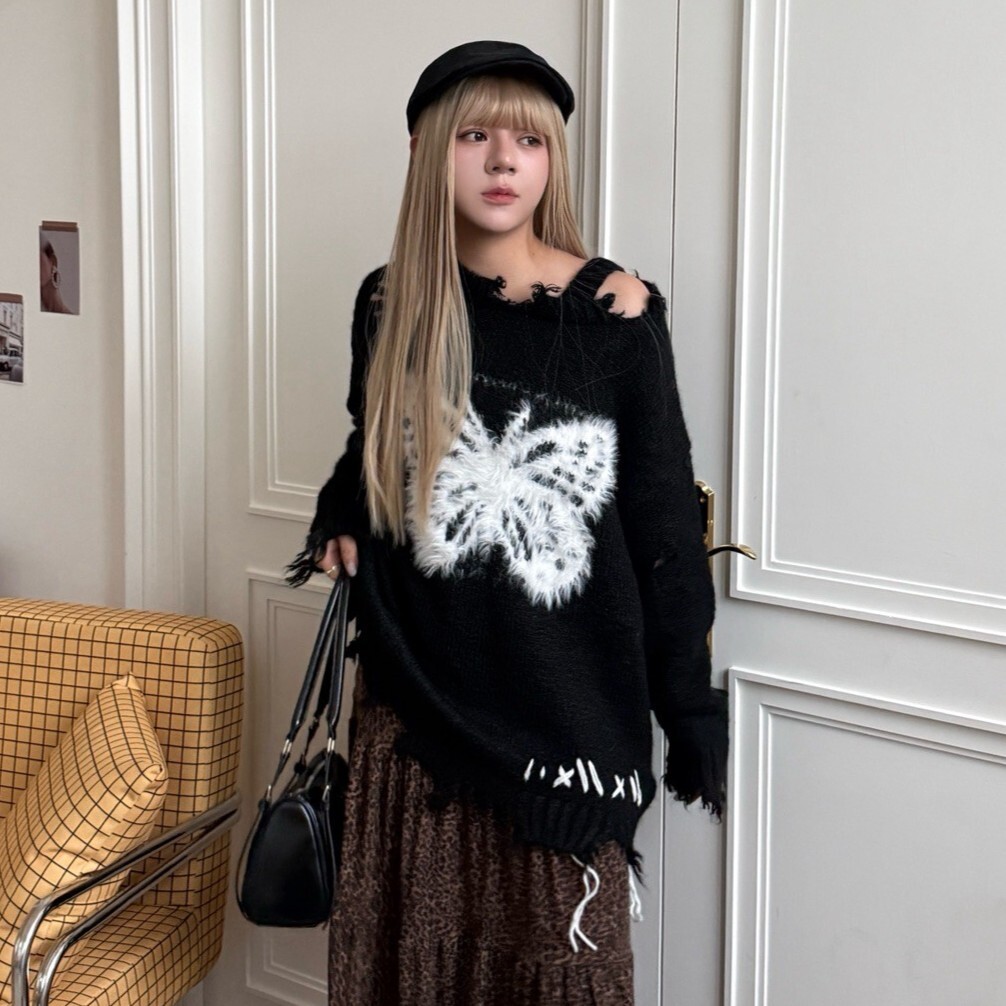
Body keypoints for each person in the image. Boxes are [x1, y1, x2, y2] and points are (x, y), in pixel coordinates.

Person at [286, 40, 729, 1006]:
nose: (502, 161)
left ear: (551, 159)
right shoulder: (390, 300)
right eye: (475, 136)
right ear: (424, 150)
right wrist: (340, 510)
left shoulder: (614, 313)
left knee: (562, 978)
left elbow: (661, 521)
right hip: (415, 714)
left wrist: (689, 710)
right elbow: (377, 441)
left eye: (528, 141)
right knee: (412, 972)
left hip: (566, 719)